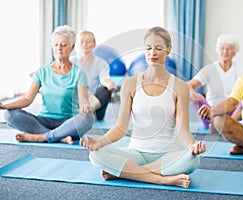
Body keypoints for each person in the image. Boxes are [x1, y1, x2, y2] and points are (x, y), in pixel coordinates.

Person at [80, 26, 206, 188]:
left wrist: (192, 146)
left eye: (158, 48)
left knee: (193, 160)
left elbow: (183, 131)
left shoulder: (180, 87)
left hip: (167, 154)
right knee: (96, 155)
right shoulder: (130, 83)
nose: (152, 52)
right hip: (136, 153)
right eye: (149, 48)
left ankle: (124, 172)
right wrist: (99, 142)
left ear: (168, 50)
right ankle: (161, 179)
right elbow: (121, 127)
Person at [0, 25, 95, 144]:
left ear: (72, 47)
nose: (59, 48)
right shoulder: (42, 71)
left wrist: (85, 106)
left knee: (88, 118)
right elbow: (27, 99)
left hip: (67, 122)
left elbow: (83, 100)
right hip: (43, 121)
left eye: (63, 45)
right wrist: (5, 106)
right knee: (10, 114)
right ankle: (58, 137)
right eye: (56, 45)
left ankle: (41, 137)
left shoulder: (79, 73)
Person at [187, 34, 243, 132]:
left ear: (234, 52)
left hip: (232, 113)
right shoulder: (210, 69)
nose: (225, 51)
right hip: (210, 113)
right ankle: (219, 125)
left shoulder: (241, 71)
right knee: (198, 96)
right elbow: (187, 85)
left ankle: (228, 124)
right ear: (218, 50)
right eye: (222, 48)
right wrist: (192, 94)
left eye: (229, 49)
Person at [70, 30, 117, 120]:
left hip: (95, 107)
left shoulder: (102, 63)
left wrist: (109, 83)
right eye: (82, 42)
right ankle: (81, 112)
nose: (85, 44)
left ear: (94, 44)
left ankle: (84, 112)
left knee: (106, 89)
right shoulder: (71, 61)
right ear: (77, 45)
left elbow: (105, 78)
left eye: (88, 41)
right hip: (76, 103)